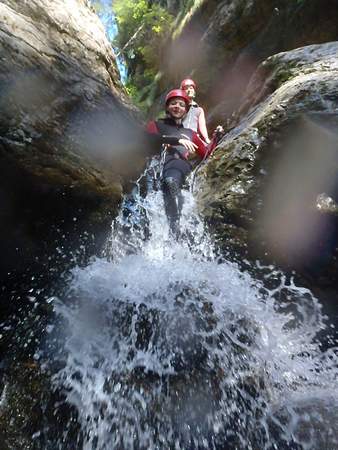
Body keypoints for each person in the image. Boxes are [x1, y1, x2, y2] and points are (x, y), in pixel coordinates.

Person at [146, 89, 209, 236]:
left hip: (178, 164)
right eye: (173, 103)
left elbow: (206, 152)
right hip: (157, 167)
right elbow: (147, 139)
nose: (177, 107)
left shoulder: (190, 133)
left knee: (170, 181)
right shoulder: (155, 125)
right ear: (167, 107)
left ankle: (176, 230)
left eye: (181, 105)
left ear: (186, 110)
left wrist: (217, 137)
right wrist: (175, 140)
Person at [180, 78, 210, 144]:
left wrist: (206, 138)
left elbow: (202, 125)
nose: (189, 90)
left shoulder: (199, 110)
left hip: (194, 138)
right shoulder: (179, 107)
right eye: (186, 88)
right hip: (180, 137)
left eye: (191, 88)